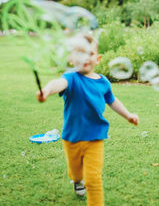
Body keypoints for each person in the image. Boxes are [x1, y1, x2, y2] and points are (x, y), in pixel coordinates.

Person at [36, 33, 139, 206]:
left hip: (96, 137)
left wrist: (128, 115)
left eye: (89, 54)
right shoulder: (71, 78)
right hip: (72, 138)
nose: (85, 58)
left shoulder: (103, 82)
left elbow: (112, 101)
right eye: (80, 53)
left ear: (97, 58)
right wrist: (46, 90)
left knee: (93, 179)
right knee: (76, 173)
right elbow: (58, 83)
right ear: (71, 59)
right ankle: (77, 180)